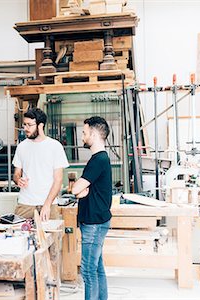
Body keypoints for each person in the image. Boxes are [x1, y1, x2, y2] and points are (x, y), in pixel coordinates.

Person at [71, 116, 112, 300]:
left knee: (88, 272)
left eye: (84, 133)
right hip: (97, 220)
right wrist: (81, 191)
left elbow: (76, 189)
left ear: (94, 135)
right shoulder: (101, 158)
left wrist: (80, 190)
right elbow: (80, 191)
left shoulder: (98, 160)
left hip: (94, 223)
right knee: (97, 268)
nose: (82, 137)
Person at [12, 108, 69, 221]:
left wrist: (47, 204)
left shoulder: (55, 146)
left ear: (40, 125)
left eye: (29, 125)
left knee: (52, 237)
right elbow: (16, 174)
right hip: (25, 204)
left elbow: (58, 180)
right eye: (24, 125)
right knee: (19, 235)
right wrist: (18, 180)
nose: (25, 129)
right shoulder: (21, 147)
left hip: (49, 204)